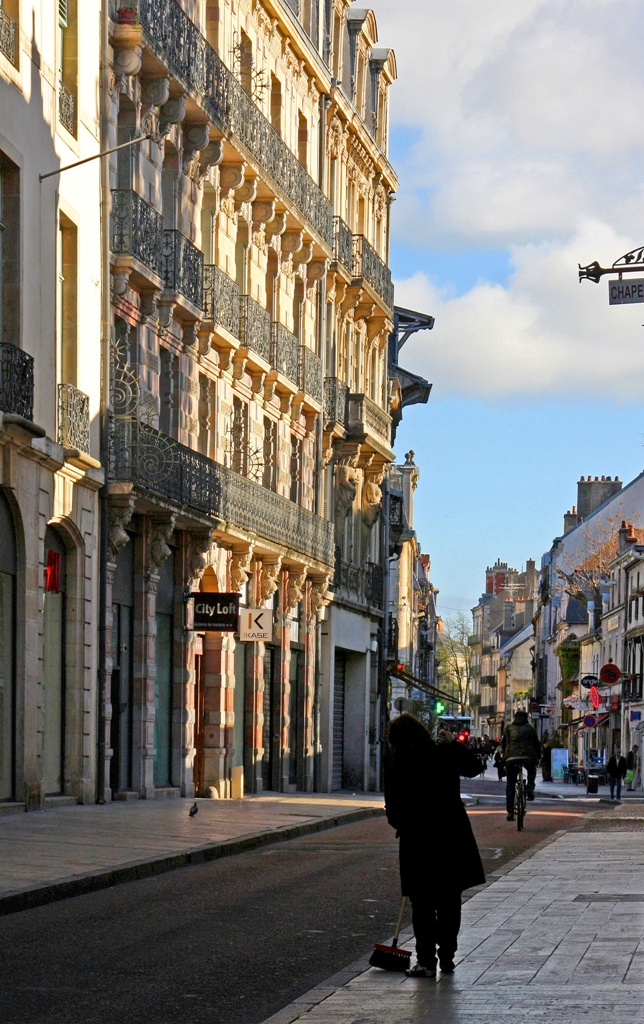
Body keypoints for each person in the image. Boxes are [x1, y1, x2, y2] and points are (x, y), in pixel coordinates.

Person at [384, 714, 485, 979]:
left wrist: (403, 824)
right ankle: (448, 955)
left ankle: (426, 961)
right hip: (450, 836)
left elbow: (392, 806)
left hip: (417, 840)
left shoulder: (397, 761)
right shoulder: (443, 753)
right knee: (450, 899)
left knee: (423, 903)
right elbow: (474, 767)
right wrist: (454, 744)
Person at [501, 709, 541, 821]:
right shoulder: (530, 728)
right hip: (527, 756)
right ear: (526, 718)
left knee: (510, 784)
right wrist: (538, 757)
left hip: (511, 757)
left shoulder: (508, 728)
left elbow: (504, 743)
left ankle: (509, 811)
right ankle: (530, 787)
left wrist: (505, 755)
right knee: (531, 770)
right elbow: (536, 743)